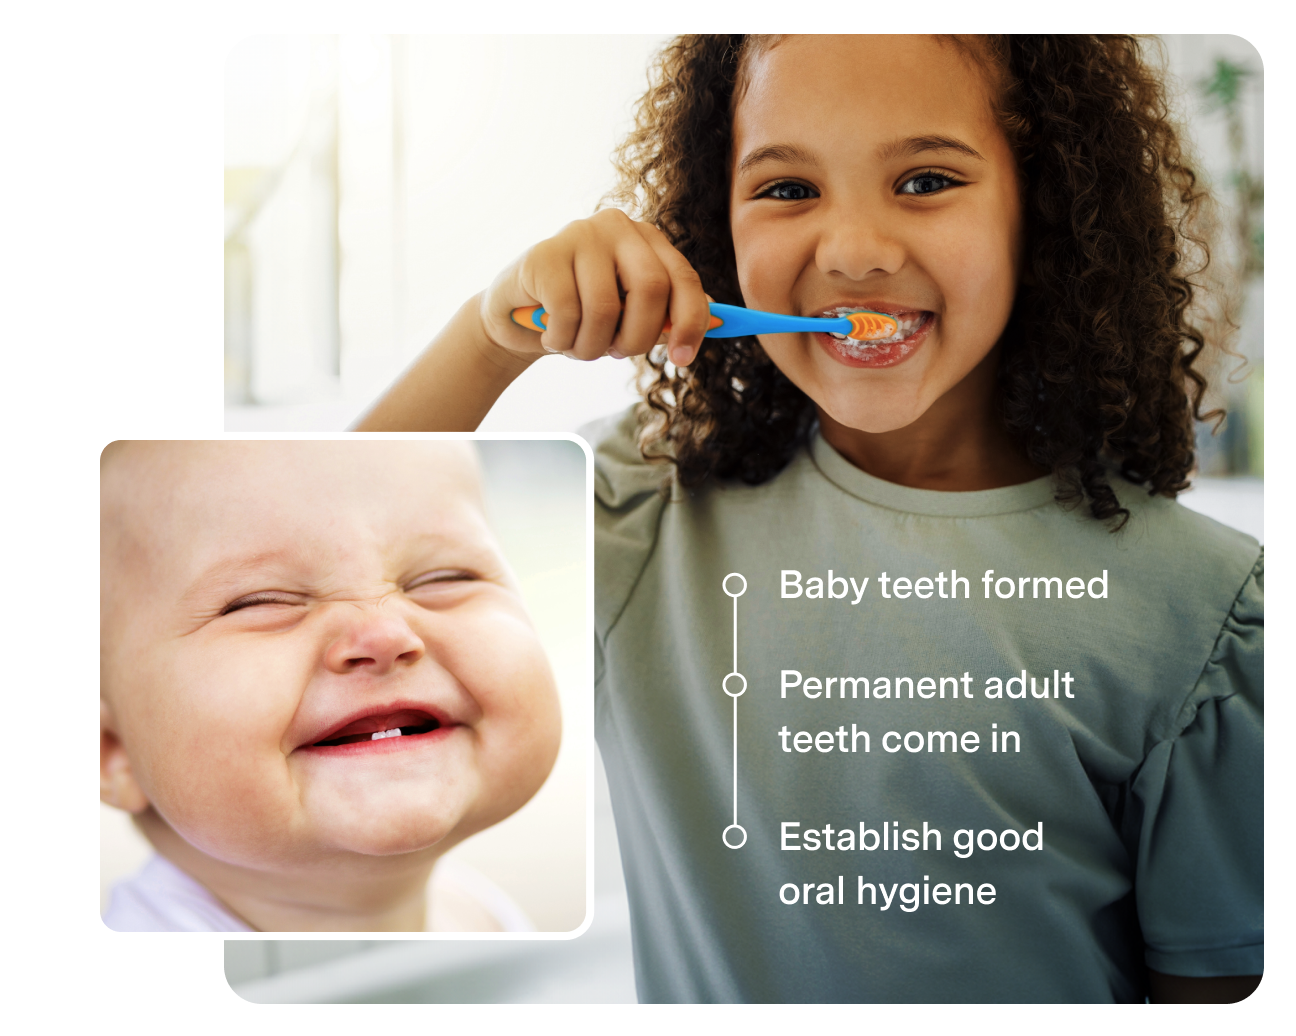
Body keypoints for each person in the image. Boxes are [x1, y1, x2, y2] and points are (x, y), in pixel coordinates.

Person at [356, 36, 1262, 1002]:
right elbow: (329, 534)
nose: (855, 251)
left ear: (1041, 209)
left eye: (925, 179)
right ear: (719, 230)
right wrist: (488, 339)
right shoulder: (641, 509)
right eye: (788, 190)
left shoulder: (1203, 617)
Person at [100, 440, 561, 932]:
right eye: (262, 601)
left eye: (444, 577)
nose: (385, 635)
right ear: (111, 750)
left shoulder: (484, 918)